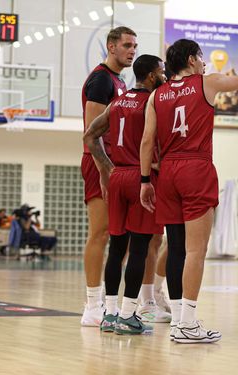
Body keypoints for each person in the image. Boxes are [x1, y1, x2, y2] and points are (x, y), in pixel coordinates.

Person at [139, 39, 238, 343]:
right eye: (202, 58)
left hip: (167, 172)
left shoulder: (156, 96)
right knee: (196, 250)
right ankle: (188, 323)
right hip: (195, 167)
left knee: (176, 247)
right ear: (192, 60)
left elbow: (146, 142)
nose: (205, 63)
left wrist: (145, 181)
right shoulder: (207, 83)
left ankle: (179, 318)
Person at [83, 54, 169, 334]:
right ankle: (130, 315)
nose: (165, 76)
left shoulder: (118, 102)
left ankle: (109, 314)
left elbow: (89, 136)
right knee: (140, 249)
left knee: (117, 247)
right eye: (162, 72)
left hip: (118, 176)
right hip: (140, 178)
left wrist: (108, 169)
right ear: (152, 76)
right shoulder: (153, 102)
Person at [80, 26, 136, 327]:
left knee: (120, 237)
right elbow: (92, 133)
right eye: (127, 45)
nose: (132, 50)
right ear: (111, 46)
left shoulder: (120, 81)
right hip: (99, 164)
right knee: (100, 232)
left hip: (117, 164)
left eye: (135, 46)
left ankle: (107, 302)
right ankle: (91, 304)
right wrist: (104, 170)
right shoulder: (101, 79)